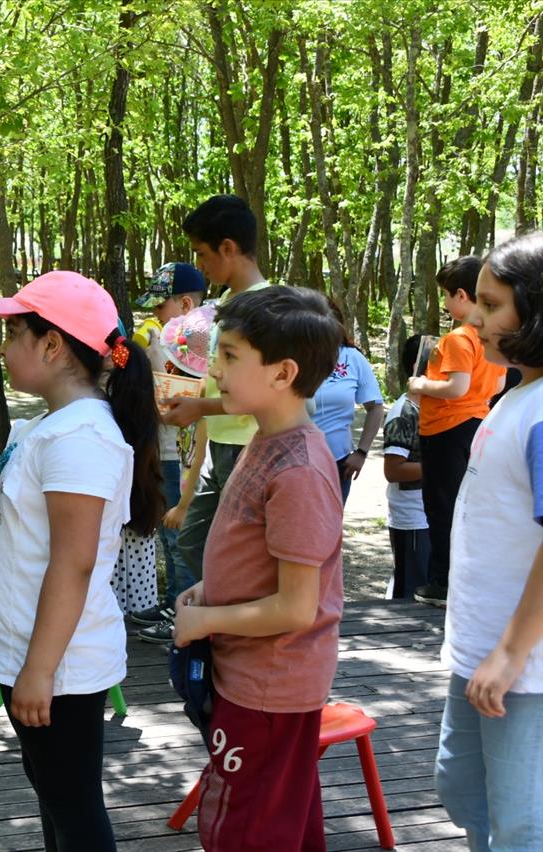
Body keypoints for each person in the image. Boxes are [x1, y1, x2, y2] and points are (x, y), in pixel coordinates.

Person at [0, 271, 162, 851]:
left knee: (73, 807)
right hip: (31, 652)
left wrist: (39, 671)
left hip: (62, 666)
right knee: (53, 794)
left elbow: (73, 565)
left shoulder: (81, 437)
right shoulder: (48, 428)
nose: (2, 349)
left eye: (12, 334)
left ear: (52, 345)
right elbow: (17, 546)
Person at [173, 286, 344, 852]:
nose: (214, 370)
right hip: (254, 677)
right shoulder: (266, 438)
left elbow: (297, 606)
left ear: (282, 373)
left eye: (229, 356)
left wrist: (206, 621)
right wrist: (209, 589)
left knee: (245, 829)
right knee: (286, 820)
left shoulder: (298, 471)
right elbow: (257, 560)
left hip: (269, 688)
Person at [434, 233, 543, 850]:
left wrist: (508, 654)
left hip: (522, 665)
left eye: (492, 304)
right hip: (479, 648)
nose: (475, 317)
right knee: (463, 787)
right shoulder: (516, 393)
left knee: (521, 820)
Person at [162, 195, 272, 588]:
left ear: (228, 247)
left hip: (248, 444)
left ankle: (239, 625)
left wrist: (199, 408)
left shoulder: (265, 306)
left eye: (203, 254)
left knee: (241, 548)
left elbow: (261, 390)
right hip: (220, 444)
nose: (201, 265)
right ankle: (223, 615)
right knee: (194, 540)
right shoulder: (227, 302)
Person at [409, 257, 508, 606]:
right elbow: (496, 383)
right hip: (477, 425)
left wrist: (420, 382)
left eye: (446, 296)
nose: (446, 304)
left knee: (441, 506)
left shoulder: (457, 338)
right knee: (466, 504)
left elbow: (455, 387)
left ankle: (443, 583)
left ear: (462, 296)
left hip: (446, 428)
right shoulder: (489, 337)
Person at [127, 262, 207, 638]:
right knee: (168, 533)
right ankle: (174, 600)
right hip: (162, 449)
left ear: (186, 305)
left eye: (160, 307)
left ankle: (183, 612)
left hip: (184, 455)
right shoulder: (161, 339)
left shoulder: (198, 345)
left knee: (181, 535)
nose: (153, 315)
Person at [311, 302, 385, 503]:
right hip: (294, 460)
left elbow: (375, 407)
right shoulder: (290, 358)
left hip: (338, 461)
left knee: (331, 529)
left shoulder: (352, 358)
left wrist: (361, 452)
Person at [382, 334, 430, 600]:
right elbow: (393, 470)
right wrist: (440, 467)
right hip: (411, 517)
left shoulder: (428, 407)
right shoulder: (404, 412)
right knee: (410, 591)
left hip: (426, 513)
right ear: (418, 367)